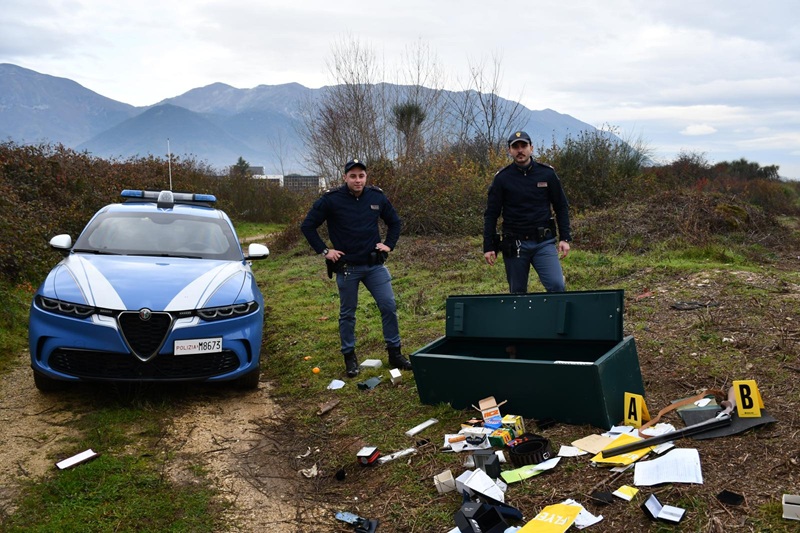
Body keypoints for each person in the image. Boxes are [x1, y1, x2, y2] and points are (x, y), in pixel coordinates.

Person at [300, 158, 412, 378]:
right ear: (345, 177)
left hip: (374, 266)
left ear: (366, 177)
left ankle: (395, 353)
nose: (358, 180)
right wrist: (325, 251)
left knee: (388, 306)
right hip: (347, 267)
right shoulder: (331, 200)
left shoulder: (376, 197)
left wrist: (389, 245)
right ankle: (350, 358)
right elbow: (308, 226)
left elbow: (395, 222)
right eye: (353, 176)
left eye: (361, 176)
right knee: (348, 314)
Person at [483, 131, 572, 293]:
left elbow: (561, 206)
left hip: (543, 243)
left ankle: (554, 318)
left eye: (523, 146)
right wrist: (488, 246)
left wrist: (565, 238)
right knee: (517, 294)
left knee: (557, 286)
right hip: (515, 245)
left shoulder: (547, 174)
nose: (520, 150)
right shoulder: (502, 178)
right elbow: (491, 214)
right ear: (510, 151)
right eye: (515, 147)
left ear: (531, 148)